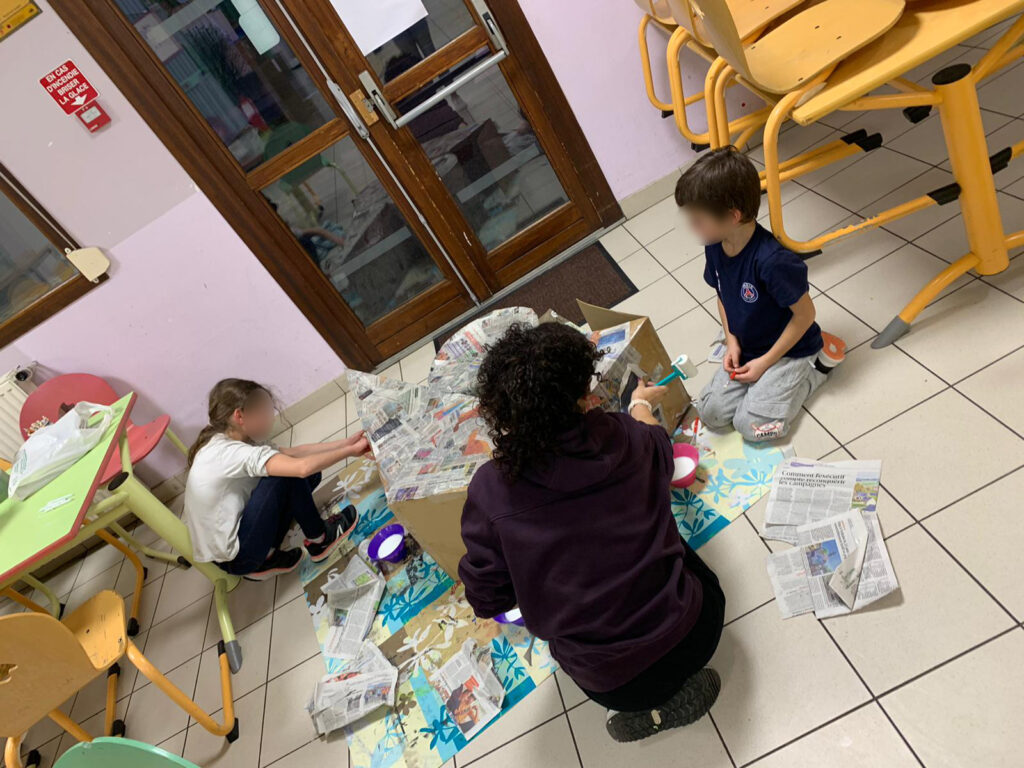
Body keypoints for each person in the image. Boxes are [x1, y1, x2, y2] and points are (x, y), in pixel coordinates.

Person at [458, 323, 725, 743]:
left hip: (614, 682)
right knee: (671, 538)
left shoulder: (491, 491)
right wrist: (639, 403)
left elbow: (487, 598)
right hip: (698, 627)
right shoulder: (622, 434)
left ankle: (653, 714)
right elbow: (658, 445)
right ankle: (671, 695)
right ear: (584, 396)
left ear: (501, 413)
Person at [675, 146, 843, 443]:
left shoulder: (772, 261)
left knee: (750, 427)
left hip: (789, 351)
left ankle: (815, 370)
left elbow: (806, 314)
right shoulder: (716, 243)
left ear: (733, 216)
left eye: (699, 219)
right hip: (749, 346)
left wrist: (765, 363)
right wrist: (732, 342)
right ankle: (765, 387)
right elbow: (721, 294)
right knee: (711, 413)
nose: (692, 227)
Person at [184, 379, 371, 580]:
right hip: (238, 557)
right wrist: (351, 452)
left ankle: (269, 554)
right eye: (264, 413)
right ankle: (320, 540)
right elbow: (301, 468)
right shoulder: (231, 452)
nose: (271, 419)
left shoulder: (232, 436)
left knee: (308, 472)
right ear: (239, 416)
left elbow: (294, 452)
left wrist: (346, 443)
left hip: (235, 535)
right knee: (287, 474)